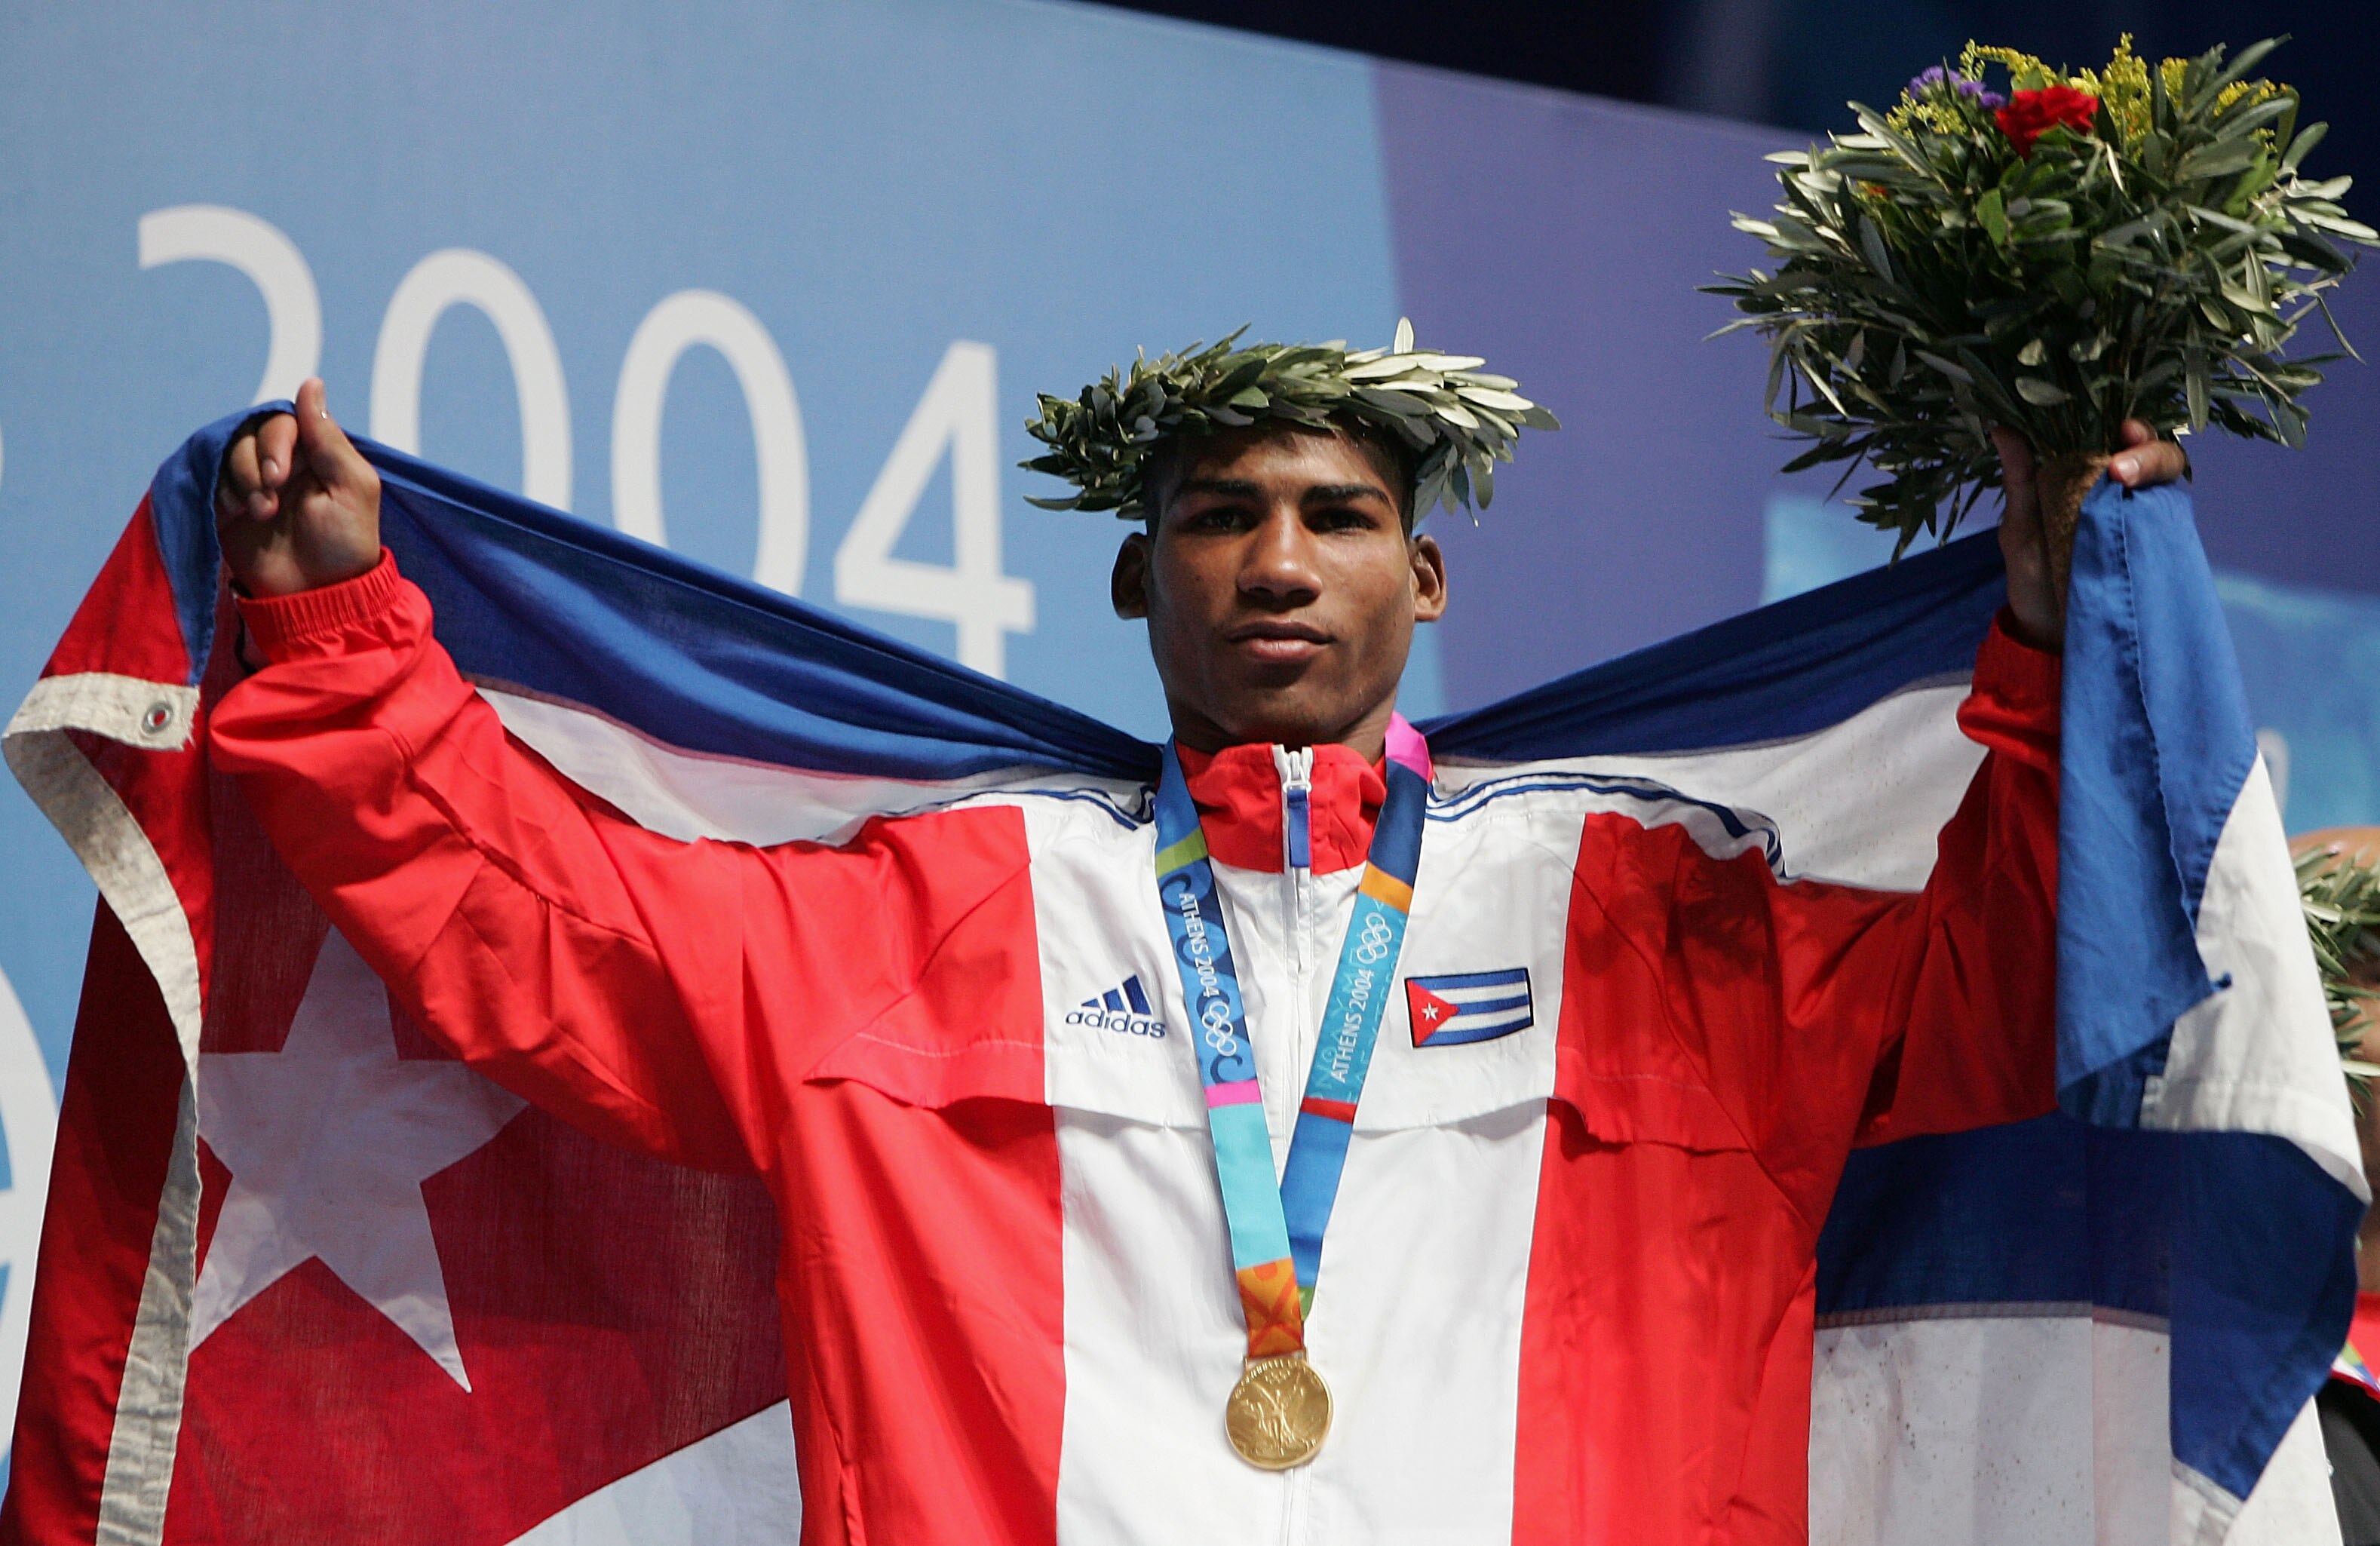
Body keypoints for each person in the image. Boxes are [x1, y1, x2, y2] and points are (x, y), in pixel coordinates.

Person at [207, 337, 2185, 1543]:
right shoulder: (944, 905)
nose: (1275, 558)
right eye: (1220, 513)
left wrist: (2051, 639)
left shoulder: (1649, 915)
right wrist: (341, 641)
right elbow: (549, 939)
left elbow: (2012, 991)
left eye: (1334, 511)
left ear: (1419, 574)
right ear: (1137, 574)